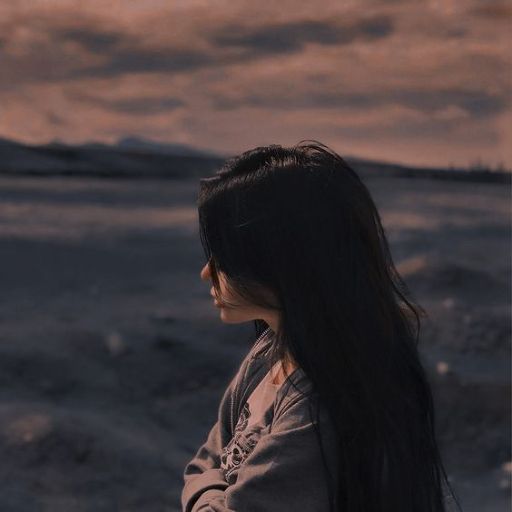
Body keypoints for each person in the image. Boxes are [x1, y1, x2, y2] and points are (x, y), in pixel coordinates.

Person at [181, 141, 463, 512]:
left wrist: (205, 490)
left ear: (278, 261)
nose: (207, 273)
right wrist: (208, 486)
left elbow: (206, 474)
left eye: (223, 257)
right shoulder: (269, 355)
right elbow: (206, 458)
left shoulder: (320, 403)